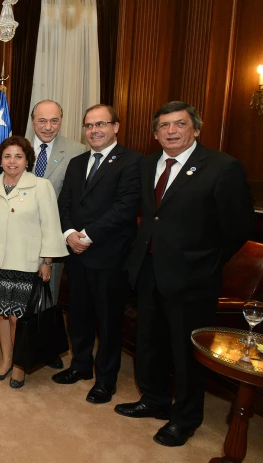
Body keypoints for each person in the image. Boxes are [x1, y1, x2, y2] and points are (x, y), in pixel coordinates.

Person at [116, 101, 254, 447]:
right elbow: (153, 217)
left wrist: (205, 261)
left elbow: (238, 228)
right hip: (148, 271)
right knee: (150, 342)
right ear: (155, 133)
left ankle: (186, 417)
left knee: (185, 352)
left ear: (196, 129)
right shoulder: (149, 165)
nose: (171, 131)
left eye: (179, 124)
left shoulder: (222, 167)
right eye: (163, 126)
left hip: (193, 279)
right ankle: (154, 399)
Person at [52, 105, 141, 404]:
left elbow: (125, 208)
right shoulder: (77, 163)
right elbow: (64, 204)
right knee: (77, 315)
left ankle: (106, 379)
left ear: (116, 126)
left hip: (109, 256)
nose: (94, 130)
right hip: (76, 254)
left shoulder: (132, 162)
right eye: (89, 126)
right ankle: (80, 367)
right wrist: (68, 235)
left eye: (101, 124)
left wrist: (87, 236)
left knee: (108, 321)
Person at [0, 135, 67, 388]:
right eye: (7, 156)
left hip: (27, 262)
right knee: (1, 313)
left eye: (18, 156)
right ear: (0, 160)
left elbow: (51, 226)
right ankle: (6, 360)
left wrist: (47, 260)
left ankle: (20, 365)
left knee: (18, 317)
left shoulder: (41, 186)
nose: (12, 161)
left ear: (27, 160)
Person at [27, 99, 86, 369]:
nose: (48, 127)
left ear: (61, 121)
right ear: (32, 121)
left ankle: (47, 349)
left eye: (54, 121)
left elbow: (77, 199)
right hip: (21, 234)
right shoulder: (19, 148)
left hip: (54, 236)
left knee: (47, 293)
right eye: (42, 120)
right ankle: (23, 342)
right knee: (23, 290)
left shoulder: (77, 151)